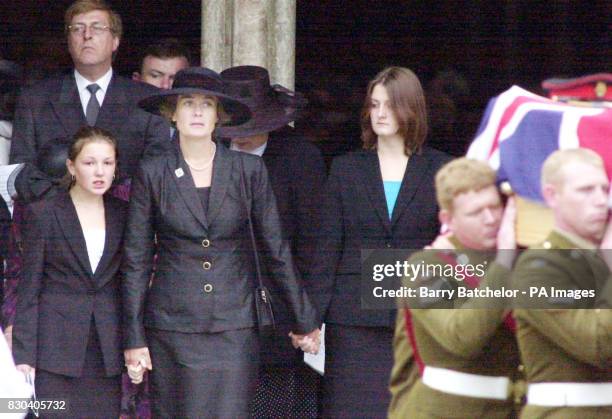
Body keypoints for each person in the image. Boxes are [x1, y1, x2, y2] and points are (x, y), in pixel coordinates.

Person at [122, 66, 321, 418]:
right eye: (187, 103)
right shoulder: (152, 171)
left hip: (235, 324)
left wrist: (304, 319)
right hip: (172, 327)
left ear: (220, 116)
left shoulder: (248, 171)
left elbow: (276, 250)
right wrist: (133, 337)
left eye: (207, 104)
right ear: (172, 113)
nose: (197, 112)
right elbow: (137, 259)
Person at [307, 66, 450, 417]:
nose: (381, 114)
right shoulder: (345, 168)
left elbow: (450, 247)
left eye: (391, 105)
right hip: (352, 320)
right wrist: (310, 319)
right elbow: (327, 248)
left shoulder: (441, 169)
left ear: (412, 109)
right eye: (374, 105)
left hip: (417, 315)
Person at [219, 65, 326, 418]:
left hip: (279, 314)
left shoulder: (300, 159)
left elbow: (312, 245)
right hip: (215, 311)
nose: (241, 135)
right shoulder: (205, 152)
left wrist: (307, 315)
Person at [12, 126, 127, 418]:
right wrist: (24, 355)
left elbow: (129, 281)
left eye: (108, 163)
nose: (99, 171)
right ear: (71, 166)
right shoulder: (44, 213)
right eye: (90, 163)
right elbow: (30, 287)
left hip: (106, 347)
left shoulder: (123, 213)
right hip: (54, 348)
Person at [395, 158, 521, 418]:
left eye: (495, 207)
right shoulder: (426, 266)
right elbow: (462, 337)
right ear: (447, 219)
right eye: (476, 212)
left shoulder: (518, 258)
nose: (490, 219)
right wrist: (505, 260)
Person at [9, 0, 169, 200]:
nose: (87, 35)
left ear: (115, 41)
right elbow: (22, 173)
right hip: (54, 221)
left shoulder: (147, 100)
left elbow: (158, 173)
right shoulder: (35, 99)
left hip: (125, 221)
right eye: (77, 28)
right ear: (68, 41)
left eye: (97, 28)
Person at [512, 148, 612, 418]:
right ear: (552, 195)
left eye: (605, 189)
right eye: (586, 190)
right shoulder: (537, 269)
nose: (601, 200)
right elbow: (599, 345)